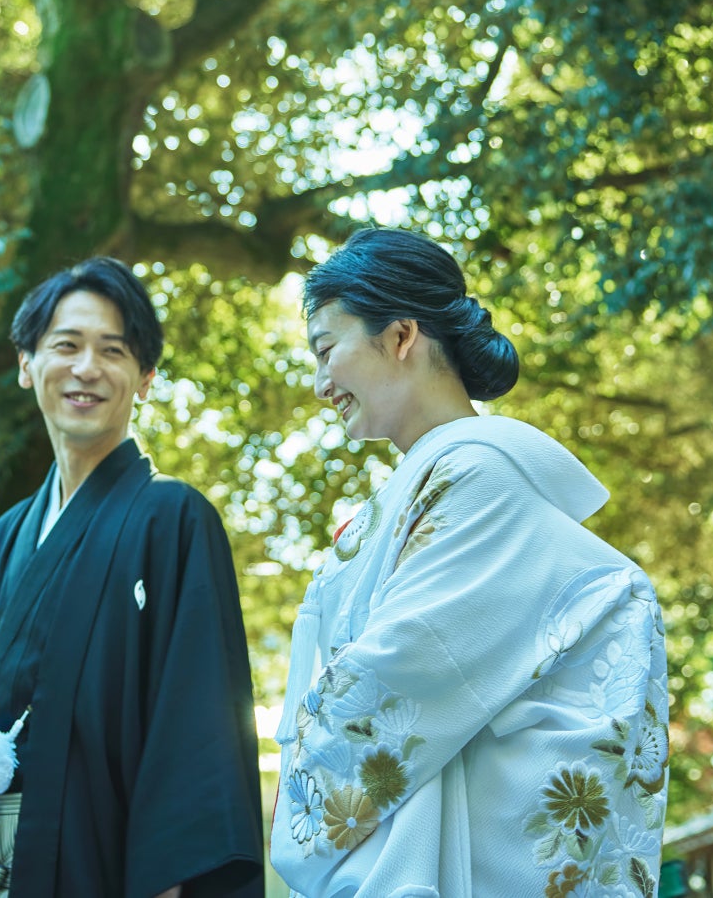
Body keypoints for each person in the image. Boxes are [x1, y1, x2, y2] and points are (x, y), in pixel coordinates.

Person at [270, 228, 668, 898]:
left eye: (326, 349)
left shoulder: (477, 475)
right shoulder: (438, 479)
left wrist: (307, 767)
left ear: (401, 335)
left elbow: (408, 664)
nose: (319, 385)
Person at [0, 257, 266, 898]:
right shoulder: (8, 533)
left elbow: (199, 727)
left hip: (108, 866)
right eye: (66, 345)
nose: (86, 368)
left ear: (145, 378)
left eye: (112, 351)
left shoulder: (173, 519)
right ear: (27, 364)